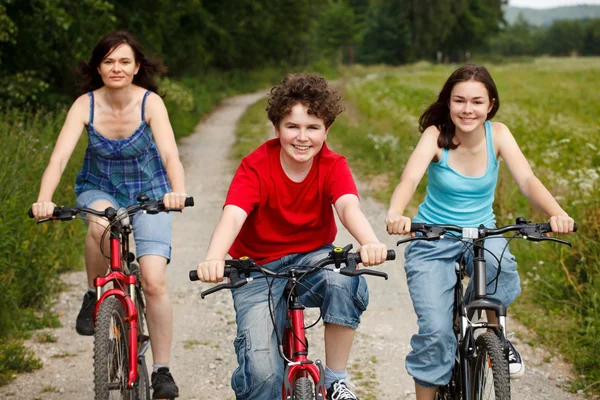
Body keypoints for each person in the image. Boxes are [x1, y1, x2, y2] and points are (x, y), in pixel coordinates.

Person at [385, 64, 575, 400]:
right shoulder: (435, 135)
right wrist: (395, 213)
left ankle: (493, 336)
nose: (467, 109)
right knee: (435, 333)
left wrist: (557, 213)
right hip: (434, 237)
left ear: (490, 104)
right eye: (459, 101)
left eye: (476, 102)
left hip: (482, 234)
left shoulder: (498, 134)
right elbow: (409, 179)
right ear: (448, 103)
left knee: (503, 274)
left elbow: (528, 181)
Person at [195, 73, 388, 400]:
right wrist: (214, 257)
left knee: (345, 278)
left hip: (313, 258)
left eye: (313, 128)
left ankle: (336, 379)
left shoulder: (332, 164)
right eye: (292, 127)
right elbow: (234, 214)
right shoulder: (256, 166)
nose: (303, 137)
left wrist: (369, 241)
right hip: (257, 267)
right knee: (263, 375)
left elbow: (347, 207)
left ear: (327, 131)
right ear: (277, 128)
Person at [30, 31, 185, 399]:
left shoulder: (151, 104)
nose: (116, 68)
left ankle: (162, 370)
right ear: (98, 67)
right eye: (109, 61)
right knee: (100, 222)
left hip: (151, 191)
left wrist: (176, 191)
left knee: (153, 280)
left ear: (136, 68)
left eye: (124, 61)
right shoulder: (85, 105)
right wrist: (43, 198)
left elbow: (170, 155)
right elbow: (59, 157)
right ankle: (92, 293)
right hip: (100, 188)